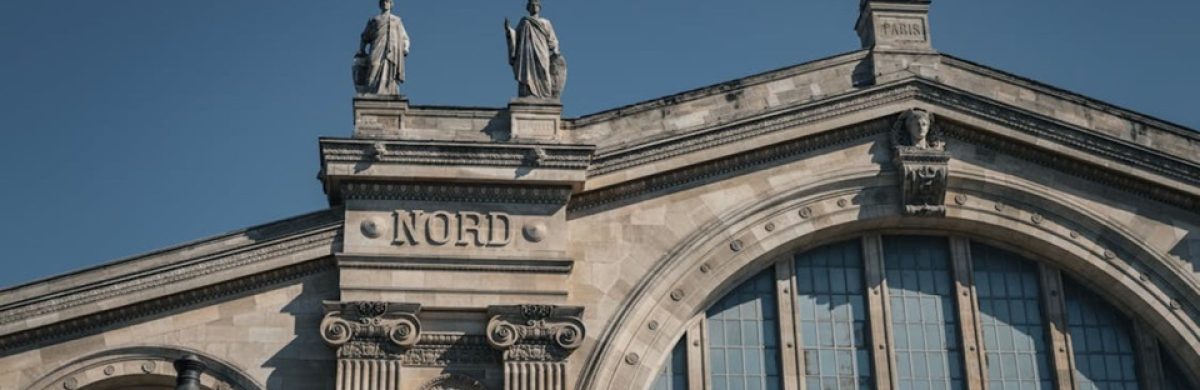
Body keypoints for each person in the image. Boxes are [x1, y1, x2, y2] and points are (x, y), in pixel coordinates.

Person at [504, 0, 564, 99]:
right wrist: (509, 31)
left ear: (539, 7)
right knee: (527, 71)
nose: (534, 7)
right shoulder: (524, 21)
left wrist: (555, 50)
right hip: (526, 52)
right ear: (528, 8)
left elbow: (553, 39)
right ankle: (528, 93)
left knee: (543, 71)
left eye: (536, 5)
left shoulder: (546, 22)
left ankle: (545, 95)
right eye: (532, 5)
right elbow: (516, 37)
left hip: (542, 50)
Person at [356, 0, 410, 95]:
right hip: (377, 48)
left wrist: (406, 47)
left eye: (388, 1)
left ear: (391, 4)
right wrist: (362, 50)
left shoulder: (397, 20)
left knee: (390, 69)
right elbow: (364, 37)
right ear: (380, 4)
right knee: (373, 65)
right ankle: (370, 90)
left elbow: (404, 37)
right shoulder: (374, 20)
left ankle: (390, 91)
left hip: (393, 51)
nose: (385, 3)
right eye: (383, 2)